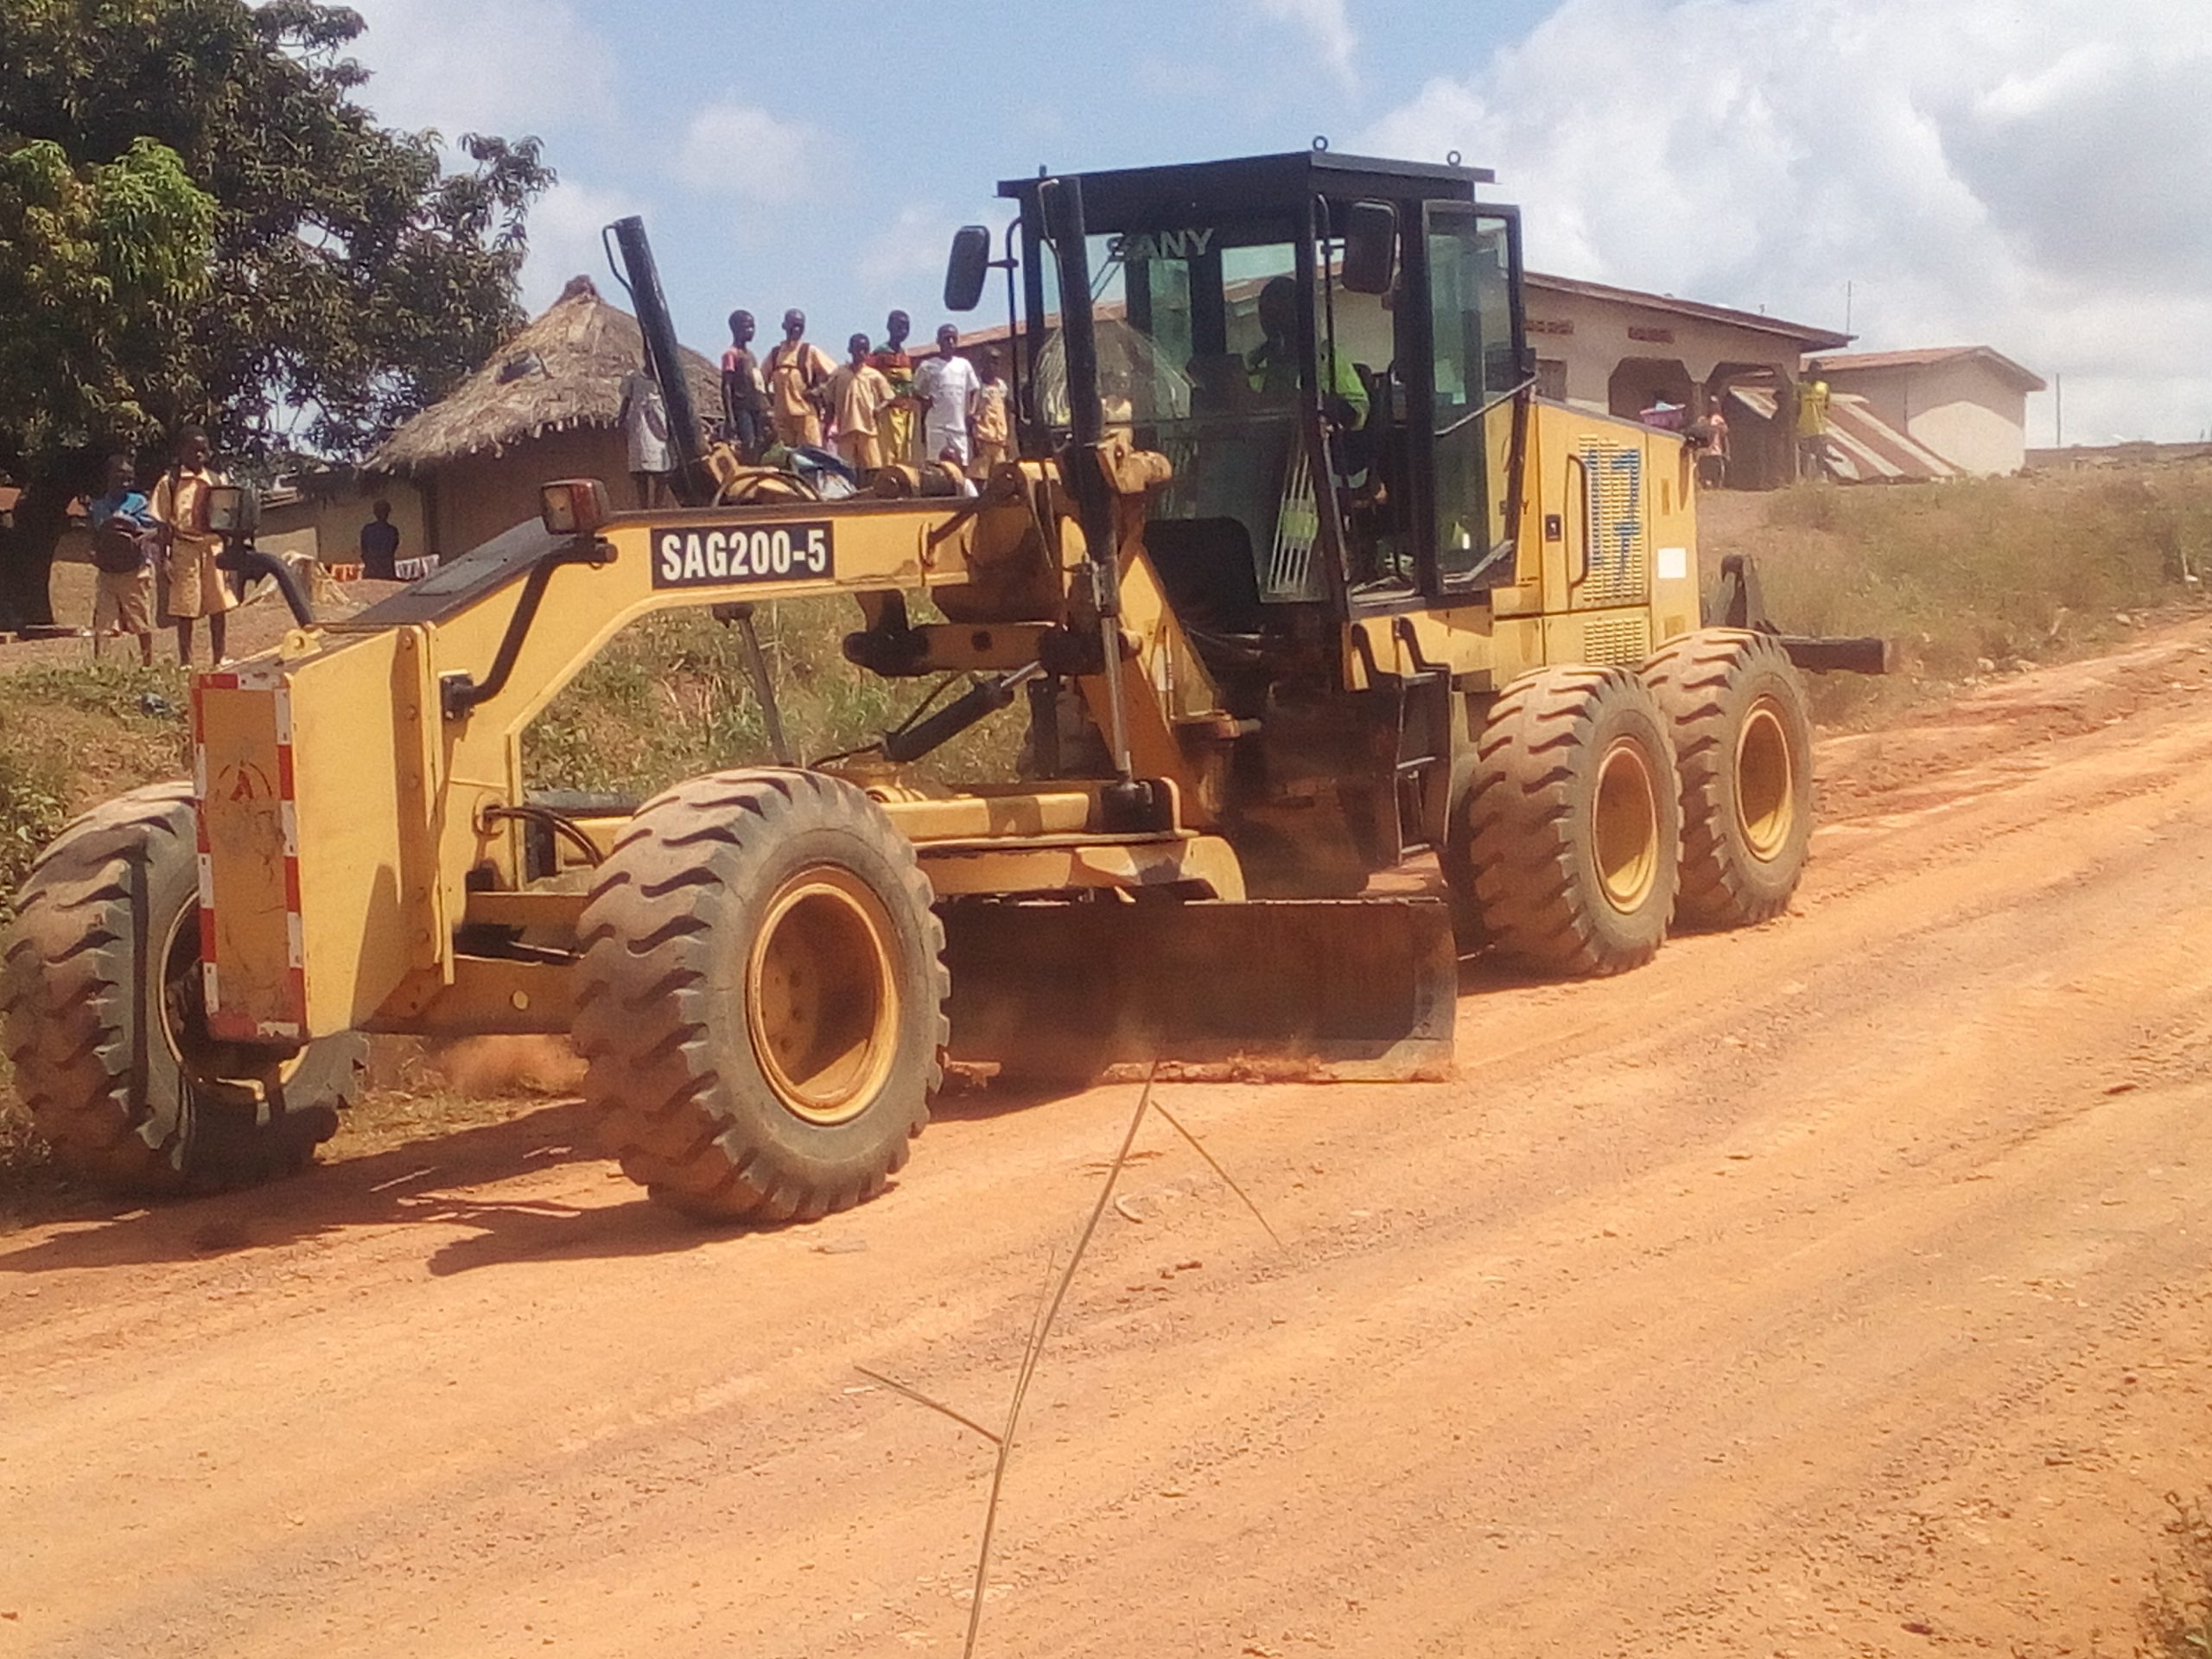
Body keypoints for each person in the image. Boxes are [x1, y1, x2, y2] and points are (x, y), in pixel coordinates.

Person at [149, 425, 237, 666]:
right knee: (185, 606)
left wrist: (228, 550)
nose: (199, 455)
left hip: (213, 547)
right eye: (193, 450)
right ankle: (186, 662)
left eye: (203, 450)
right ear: (182, 451)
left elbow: (227, 518)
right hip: (184, 547)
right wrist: (164, 557)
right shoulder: (171, 482)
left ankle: (219, 657)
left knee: (218, 603)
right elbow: (163, 524)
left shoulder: (218, 480)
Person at [87, 452, 157, 666]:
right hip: (108, 570)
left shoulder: (139, 502)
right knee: (103, 622)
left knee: (140, 618)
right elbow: (95, 534)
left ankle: (147, 664)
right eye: (120, 476)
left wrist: (143, 537)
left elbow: (155, 528)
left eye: (129, 477)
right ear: (109, 476)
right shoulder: (99, 506)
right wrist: (93, 552)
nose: (125, 482)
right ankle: (101, 665)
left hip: (133, 569)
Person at [764, 309, 836, 450]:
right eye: (793, 325)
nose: (796, 329)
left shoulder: (809, 351)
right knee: (785, 456)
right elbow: (760, 379)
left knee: (810, 456)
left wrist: (818, 390)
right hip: (782, 416)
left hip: (805, 414)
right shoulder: (775, 354)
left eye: (800, 326)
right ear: (784, 326)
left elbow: (835, 374)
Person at [825, 333, 893, 480]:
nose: (860, 353)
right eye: (857, 349)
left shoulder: (874, 375)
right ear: (850, 349)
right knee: (846, 469)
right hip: (845, 430)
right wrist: (827, 426)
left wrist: (879, 408)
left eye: (864, 350)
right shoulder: (838, 374)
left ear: (868, 352)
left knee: (872, 468)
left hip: (868, 429)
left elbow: (888, 397)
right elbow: (829, 402)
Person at [913, 323, 981, 469]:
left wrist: (972, 411)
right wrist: (925, 400)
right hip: (937, 426)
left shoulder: (964, 365)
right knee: (936, 465)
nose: (950, 342)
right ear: (938, 341)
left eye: (953, 339)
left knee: (961, 464)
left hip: (958, 426)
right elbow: (915, 389)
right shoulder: (927, 366)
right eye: (946, 338)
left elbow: (974, 389)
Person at [617, 354, 674, 506]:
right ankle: (644, 506)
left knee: (661, 472)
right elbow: (626, 400)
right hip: (640, 424)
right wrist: (621, 419)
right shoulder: (635, 377)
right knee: (641, 472)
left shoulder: (665, 377)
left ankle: (658, 506)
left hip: (659, 424)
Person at [871, 310, 918, 467]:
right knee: (888, 454)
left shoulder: (905, 355)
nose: (903, 331)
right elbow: (868, 379)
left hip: (906, 413)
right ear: (889, 327)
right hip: (888, 413)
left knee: (905, 453)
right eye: (899, 326)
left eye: (906, 327)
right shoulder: (879, 354)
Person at [720, 309, 768, 460]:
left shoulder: (751, 356)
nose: (751, 331)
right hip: (742, 407)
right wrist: (730, 417)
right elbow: (726, 386)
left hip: (757, 406)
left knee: (761, 442)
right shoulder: (731, 354)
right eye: (747, 327)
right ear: (735, 329)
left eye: (753, 327)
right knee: (749, 443)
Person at [970, 346, 1011, 478]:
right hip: (983, 441)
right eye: (991, 361)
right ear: (982, 363)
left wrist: (1007, 439)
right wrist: (973, 442)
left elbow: (1005, 412)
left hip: (999, 441)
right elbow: (970, 414)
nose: (994, 366)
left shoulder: (1002, 386)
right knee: (980, 477)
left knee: (1000, 477)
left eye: (997, 362)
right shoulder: (976, 385)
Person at [359, 498, 401, 579]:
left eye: (384, 511)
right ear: (375, 513)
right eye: (380, 511)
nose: (382, 514)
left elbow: (392, 548)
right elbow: (364, 549)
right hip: (373, 569)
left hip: (385, 569)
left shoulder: (392, 531)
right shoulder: (368, 530)